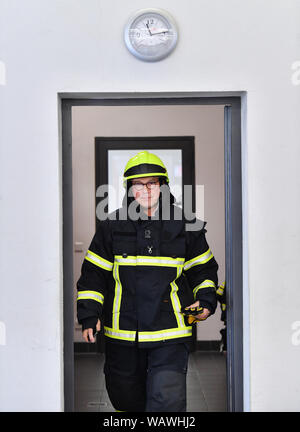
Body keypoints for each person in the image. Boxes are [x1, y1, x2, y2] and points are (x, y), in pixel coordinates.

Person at [76, 150, 218, 412]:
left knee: (167, 401)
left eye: (152, 183)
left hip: (171, 332)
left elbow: (203, 270)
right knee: (126, 401)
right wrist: (89, 314)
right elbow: (94, 275)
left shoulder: (186, 225)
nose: (146, 190)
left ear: (163, 186)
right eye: (138, 184)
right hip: (123, 333)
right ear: (129, 190)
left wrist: (206, 301)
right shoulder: (111, 226)